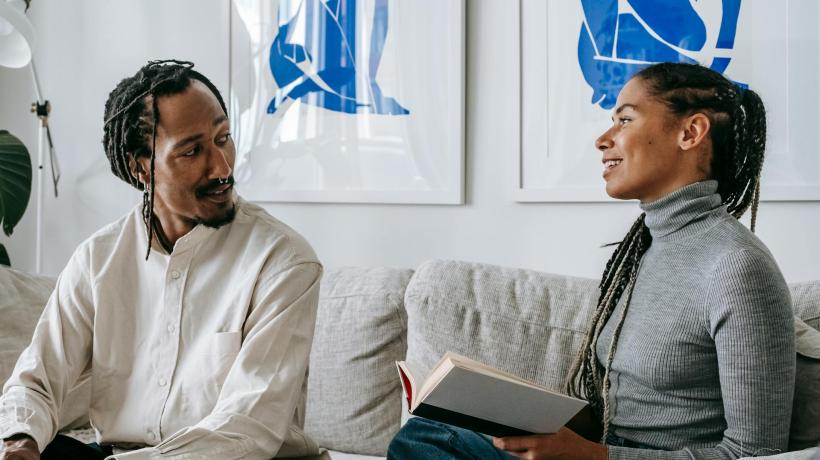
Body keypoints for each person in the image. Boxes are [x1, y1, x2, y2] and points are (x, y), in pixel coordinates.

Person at [388, 62, 795, 459]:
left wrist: (595, 457)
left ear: (690, 132)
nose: (603, 139)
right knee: (430, 430)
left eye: (625, 120)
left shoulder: (737, 267)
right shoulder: (646, 249)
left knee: (428, 443)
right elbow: (620, 417)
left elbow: (755, 452)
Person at [0, 60, 324, 460]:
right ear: (142, 168)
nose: (222, 167)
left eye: (224, 138)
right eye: (192, 150)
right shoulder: (97, 259)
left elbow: (245, 431)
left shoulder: (283, 262)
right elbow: (35, 383)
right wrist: (20, 444)